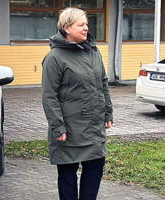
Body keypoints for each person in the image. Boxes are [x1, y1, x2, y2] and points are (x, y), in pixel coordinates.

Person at [41, 7, 113, 200]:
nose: (86, 28)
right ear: (66, 28)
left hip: (93, 128)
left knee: (96, 167)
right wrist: (58, 127)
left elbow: (103, 83)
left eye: (86, 24)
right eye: (81, 24)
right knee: (67, 175)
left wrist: (108, 112)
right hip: (68, 129)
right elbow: (49, 96)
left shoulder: (93, 52)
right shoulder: (54, 58)